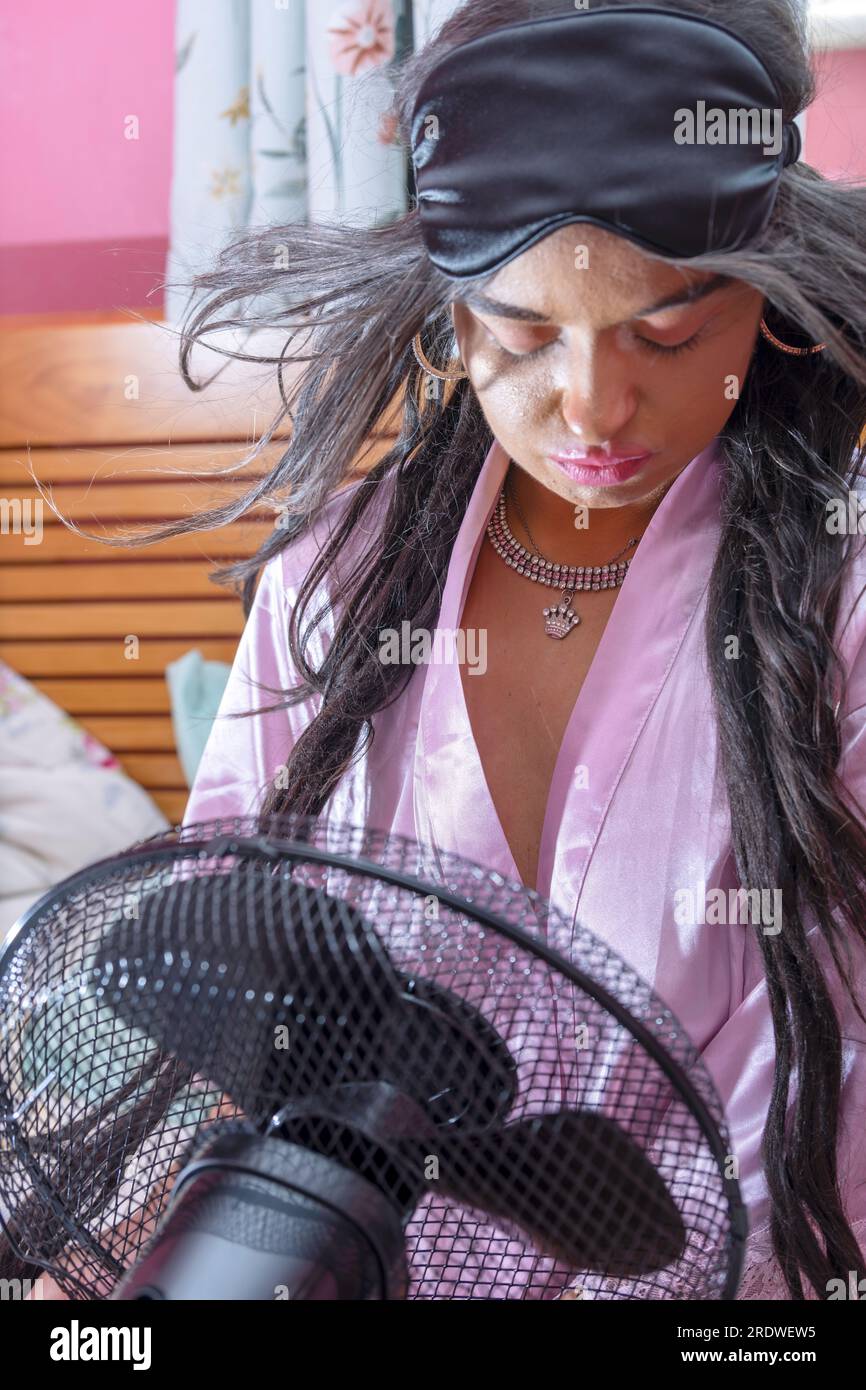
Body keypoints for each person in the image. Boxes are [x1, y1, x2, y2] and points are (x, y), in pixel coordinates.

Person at [160, 0, 866, 1299]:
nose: (592, 404)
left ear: (761, 301)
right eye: (522, 332)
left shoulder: (844, 596)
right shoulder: (333, 579)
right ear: (446, 311)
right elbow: (221, 944)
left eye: (666, 331)